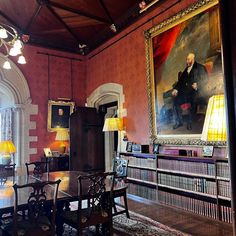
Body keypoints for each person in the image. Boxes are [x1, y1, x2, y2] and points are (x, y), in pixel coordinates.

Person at [172, 53, 208, 130]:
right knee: (175, 100)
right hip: (185, 93)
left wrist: (197, 85)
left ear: (193, 59)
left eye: (188, 59)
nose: (187, 61)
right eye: (186, 59)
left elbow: (205, 79)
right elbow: (180, 81)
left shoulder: (200, 67)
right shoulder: (186, 69)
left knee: (193, 100)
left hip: (196, 92)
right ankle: (179, 122)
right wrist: (176, 89)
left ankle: (190, 122)